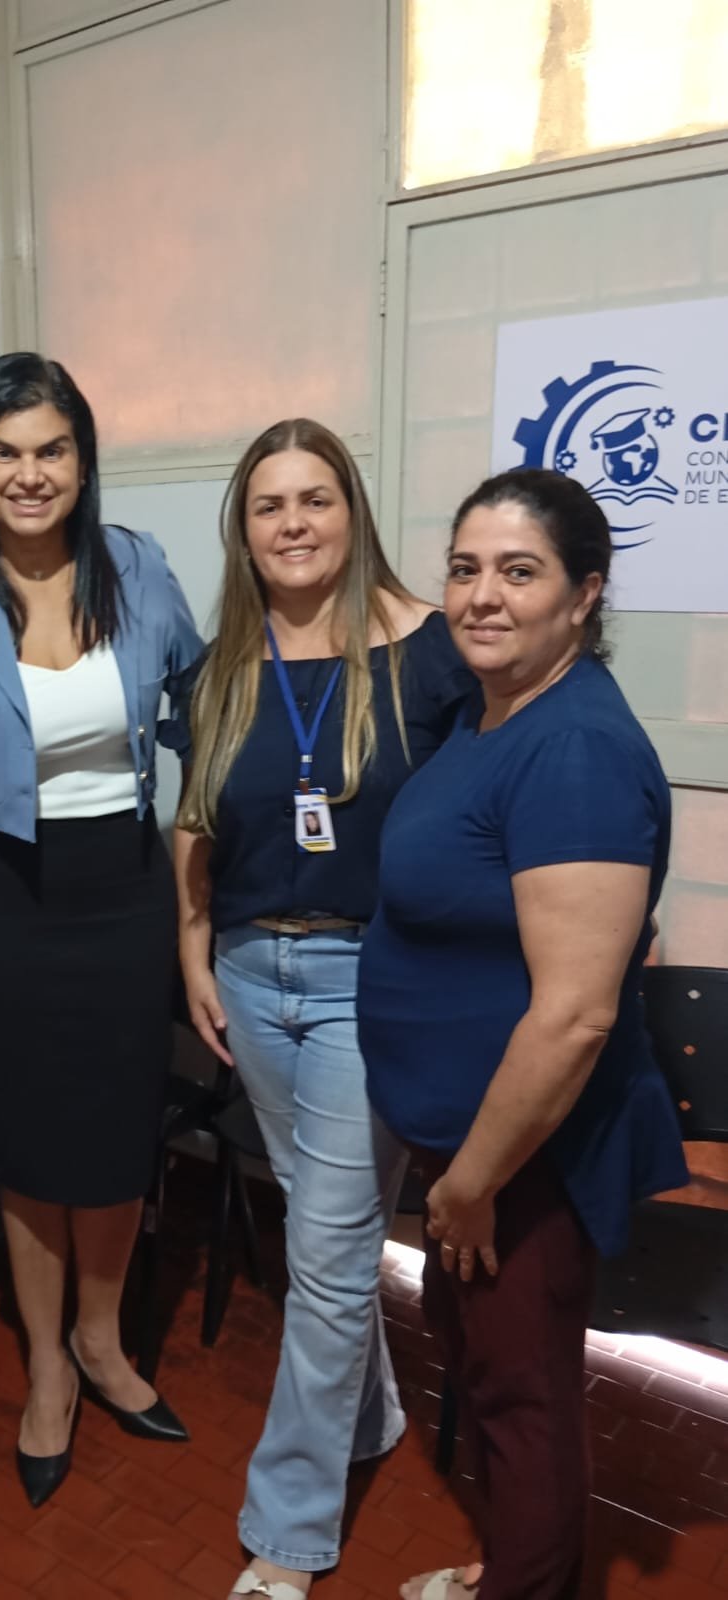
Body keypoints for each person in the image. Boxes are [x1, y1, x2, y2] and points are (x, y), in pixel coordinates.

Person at [357, 468, 689, 1600]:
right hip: (475, 1148)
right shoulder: (492, 708)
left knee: (523, 1395)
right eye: (464, 568)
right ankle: (514, 1563)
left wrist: (472, 1184)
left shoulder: (575, 748)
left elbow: (575, 1014)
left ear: (584, 593)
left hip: (522, 1159)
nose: (482, 596)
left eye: (519, 571)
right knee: (493, 1370)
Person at [0, 352, 202, 1507]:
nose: (30, 473)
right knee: (29, 1145)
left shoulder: (138, 566)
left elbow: (203, 711)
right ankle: (47, 1369)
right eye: (5, 451)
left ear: (82, 458)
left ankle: (104, 1344)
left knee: (115, 1135)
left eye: (52, 449)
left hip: (122, 891)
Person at [171, 418, 474, 1598]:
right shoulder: (221, 667)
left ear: (352, 510)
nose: (293, 524)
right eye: (269, 505)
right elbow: (195, 817)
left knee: (332, 1259)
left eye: (315, 499)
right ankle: (372, 1413)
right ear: (242, 530)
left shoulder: (431, 655)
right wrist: (193, 945)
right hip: (252, 974)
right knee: (322, 1227)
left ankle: (287, 1536)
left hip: (369, 983)